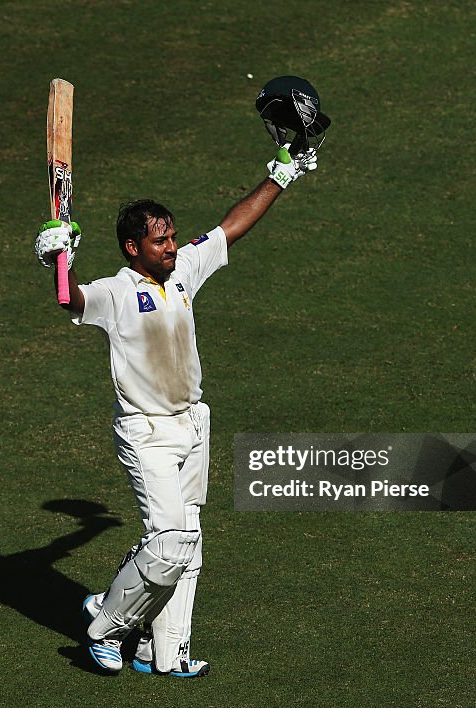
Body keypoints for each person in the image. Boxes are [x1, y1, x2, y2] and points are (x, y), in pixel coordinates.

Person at [33, 141, 319, 677]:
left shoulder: (183, 270)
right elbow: (69, 299)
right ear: (131, 248)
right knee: (166, 546)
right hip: (147, 432)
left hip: (193, 423)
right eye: (159, 241)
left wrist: (279, 175)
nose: (170, 248)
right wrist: (56, 260)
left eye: (170, 237)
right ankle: (106, 622)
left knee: (190, 546)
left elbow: (230, 228)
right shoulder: (116, 293)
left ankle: (165, 652)